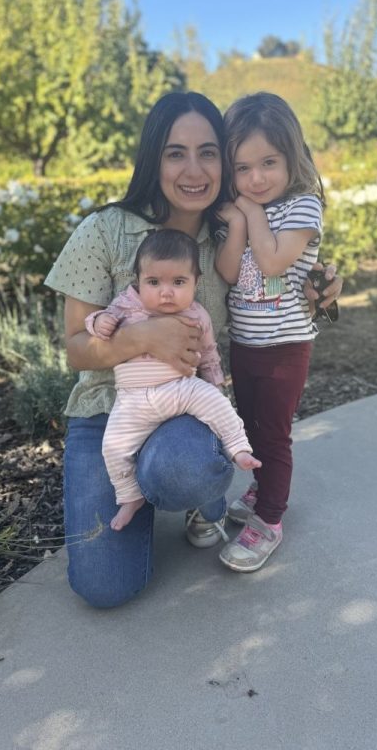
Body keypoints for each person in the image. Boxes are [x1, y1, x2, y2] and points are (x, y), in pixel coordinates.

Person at [45, 91, 342, 608]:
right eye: (175, 153)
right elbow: (75, 347)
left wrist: (323, 288)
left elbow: (280, 274)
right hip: (107, 413)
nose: (194, 169)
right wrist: (140, 337)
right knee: (104, 588)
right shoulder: (104, 230)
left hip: (183, 407)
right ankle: (150, 486)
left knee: (184, 466)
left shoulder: (227, 234)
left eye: (208, 152)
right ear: (152, 158)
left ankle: (187, 490)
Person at [215, 91, 330, 573]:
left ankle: (270, 519)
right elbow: (228, 272)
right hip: (245, 344)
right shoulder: (240, 213)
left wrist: (250, 212)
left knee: (275, 434)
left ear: (291, 157)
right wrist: (239, 223)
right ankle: (262, 490)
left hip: (286, 347)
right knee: (250, 426)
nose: (256, 179)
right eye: (242, 168)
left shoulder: (303, 206)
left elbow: (274, 261)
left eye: (268, 163)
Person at [84, 228, 260, 532]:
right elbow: (96, 321)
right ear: (138, 281)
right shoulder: (125, 304)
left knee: (216, 403)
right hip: (133, 398)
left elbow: (209, 355)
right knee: (112, 446)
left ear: (195, 283)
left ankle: (238, 447)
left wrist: (215, 385)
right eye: (154, 282)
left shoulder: (197, 315)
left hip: (180, 388)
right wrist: (99, 321)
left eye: (178, 282)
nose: (166, 292)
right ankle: (130, 495)